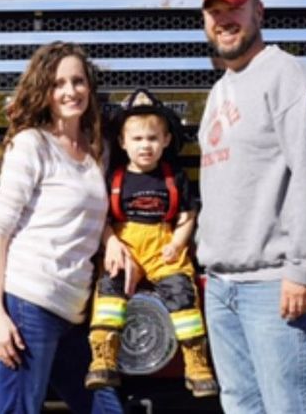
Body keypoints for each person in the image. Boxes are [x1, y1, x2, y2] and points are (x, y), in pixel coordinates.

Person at [196, 0, 306, 414]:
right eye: (214, 12)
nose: (223, 20)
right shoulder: (222, 90)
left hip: (273, 283)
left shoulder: (291, 79)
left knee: (291, 405)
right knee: (241, 405)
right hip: (222, 284)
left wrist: (300, 269)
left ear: (258, 12)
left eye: (234, 9)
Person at [0, 41, 127, 414]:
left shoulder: (97, 149)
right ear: (43, 90)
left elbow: (89, 213)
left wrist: (110, 238)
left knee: (107, 409)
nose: (70, 91)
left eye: (78, 81)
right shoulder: (31, 144)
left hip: (74, 310)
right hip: (29, 302)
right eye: (58, 83)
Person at [85, 88, 219, 398]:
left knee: (182, 295)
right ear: (122, 142)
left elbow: (187, 215)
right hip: (125, 245)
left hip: (163, 246)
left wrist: (178, 243)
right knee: (109, 295)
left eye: (153, 138)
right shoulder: (114, 178)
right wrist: (111, 243)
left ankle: (197, 366)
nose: (145, 145)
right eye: (137, 139)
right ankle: (103, 359)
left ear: (166, 140)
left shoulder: (175, 177)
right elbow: (102, 218)